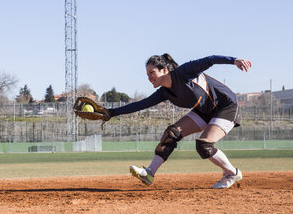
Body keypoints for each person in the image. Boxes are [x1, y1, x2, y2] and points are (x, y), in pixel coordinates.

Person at [107, 54, 252, 189]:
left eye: (152, 73)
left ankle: (232, 173)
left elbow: (210, 59)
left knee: (204, 145)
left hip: (226, 106)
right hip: (205, 111)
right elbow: (140, 105)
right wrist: (110, 113)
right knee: (172, 134)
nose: (149, 78)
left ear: (164, 70)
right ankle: (149, 173)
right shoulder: (164, 92)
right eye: (147, 75)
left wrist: (234, 60)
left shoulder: (185, 72)